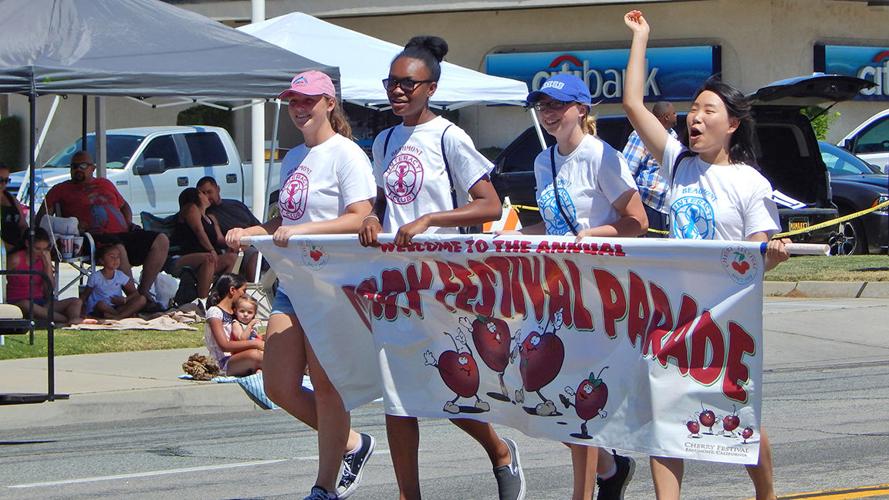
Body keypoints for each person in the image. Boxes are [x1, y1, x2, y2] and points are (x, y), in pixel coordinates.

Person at [622, 10, 790, 500]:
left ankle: (766, 494)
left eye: (708, 110)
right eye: (693, 109)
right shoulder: (678, 164)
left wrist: (773, 252)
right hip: (673, 315)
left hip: (727, 318)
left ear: (732, 124)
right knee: (665, 418)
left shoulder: (749, 182)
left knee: (738, 416)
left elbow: (764, 251)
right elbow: (633, 103)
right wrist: (641, 38)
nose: (695, 117)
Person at [357, 36, 525, 500]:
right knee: (397, 395)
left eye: (408, 84)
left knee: (449, 389)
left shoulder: (451, 136)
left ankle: (500, 451)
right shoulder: (386, 138)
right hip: (394, 283)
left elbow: (488, 205)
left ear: (431, 87)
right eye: (391, 83)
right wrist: (373, 216)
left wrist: (431, 219)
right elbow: (382, 199)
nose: (397, 91)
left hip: (444, 282)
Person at [226, 70, 377, 500]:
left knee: (328, 386)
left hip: (332, 283)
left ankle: (324, 486)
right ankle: (350, 443)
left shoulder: (346, 154)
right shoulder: (293, 157)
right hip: (294, 281)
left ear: (329, 103)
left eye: (307, 100)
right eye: (292, 101)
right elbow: (284, 222)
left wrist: (307, 229)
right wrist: (254, 231)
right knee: (277, 384)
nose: (299, 108)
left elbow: (359, 216)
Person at [507, 73, 646, 500]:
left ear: (582, 110)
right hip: (553, 289)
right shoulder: (542, 160)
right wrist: (509, 236)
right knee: (535, 390)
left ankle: (586, 489)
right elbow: (551, 227)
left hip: (597, 291)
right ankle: (610, 466)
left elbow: (637, 222)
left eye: (557, 105)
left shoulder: (601, 156)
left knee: (575, 396)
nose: (549, 113)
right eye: (543, 106)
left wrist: (597, 233)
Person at [39, 151, 169, 301]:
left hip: (123, 233)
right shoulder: (60, 189)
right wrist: (71, 225)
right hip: (92, 238)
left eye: (82, 165)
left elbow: (124, 206)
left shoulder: (104, 183)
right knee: (117, 248)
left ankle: (144, 291)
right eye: (74, 166)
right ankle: (134, 298)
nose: (77, 169)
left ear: (93, 168)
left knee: (161, 239)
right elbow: (43, 219)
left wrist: (127, 223)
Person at [6, 228, 84, 325]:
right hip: (19, 302)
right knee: (27, 305)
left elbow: (50, 290)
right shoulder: (15, 259)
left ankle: (73, 318)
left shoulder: (43, 259)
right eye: (37, 249)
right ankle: (64, 319)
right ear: (27, 244)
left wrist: (47, 264)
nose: (41, 253)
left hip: (40, 302)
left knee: (76, 301)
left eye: (45, 249)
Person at [170, 187, 237, 299]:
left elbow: (220, 239)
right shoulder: (191, 208)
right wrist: (211, 250)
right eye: (203, 193)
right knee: (209, 258)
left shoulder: (210, 217)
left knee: (232, 258)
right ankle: (202, 300)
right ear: (196, 196)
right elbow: (199, 231)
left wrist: (232, 245)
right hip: (183, 257)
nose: (207, 196)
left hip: (207, 257)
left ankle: (216, 295)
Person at [622, 101, 678, 233]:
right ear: (666, 117)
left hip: (665, 206)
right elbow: (627, 171)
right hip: (648, 202)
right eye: (674, 113)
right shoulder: (641, 135)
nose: (677, 116)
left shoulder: (673, 136)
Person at [204, 273, 264, 377]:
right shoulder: (215, 312)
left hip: (238, 356)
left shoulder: (236, 313)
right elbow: (224, 346)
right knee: (255, 355)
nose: (245, 295)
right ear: (232, 290)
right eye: (243, 291)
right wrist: (255, 344)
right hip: (222, 363)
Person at [80, 245, 148, 319]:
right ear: (102, 260)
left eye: (118, 257)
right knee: (101, 304)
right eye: (112, 257)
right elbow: (85, 295)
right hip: (99, 308)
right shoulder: (95, 277)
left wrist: (125, 300)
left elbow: (135, 293)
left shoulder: (120, 275)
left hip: (116, 306)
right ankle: (121, 315)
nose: (115, 260)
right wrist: (82, 310)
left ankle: (118, 316)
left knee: (142, 299)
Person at [0, 162, 27, 251]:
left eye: (6, 180)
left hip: (17, 246)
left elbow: (23, 225)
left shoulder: (11, 198)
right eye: (0, 180)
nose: (3, 184)